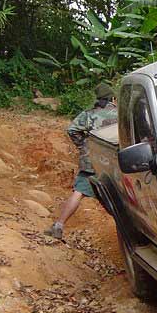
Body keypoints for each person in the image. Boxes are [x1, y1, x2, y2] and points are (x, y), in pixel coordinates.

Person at [45, 83, 118, 240]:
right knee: (119, 197)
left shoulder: (89, 114)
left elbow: (72, 130)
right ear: (113, 98)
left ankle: (59, 225)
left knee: (79, 192)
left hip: (91, 161)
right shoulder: (120, 114)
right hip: (114, 163)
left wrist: (84, 145)